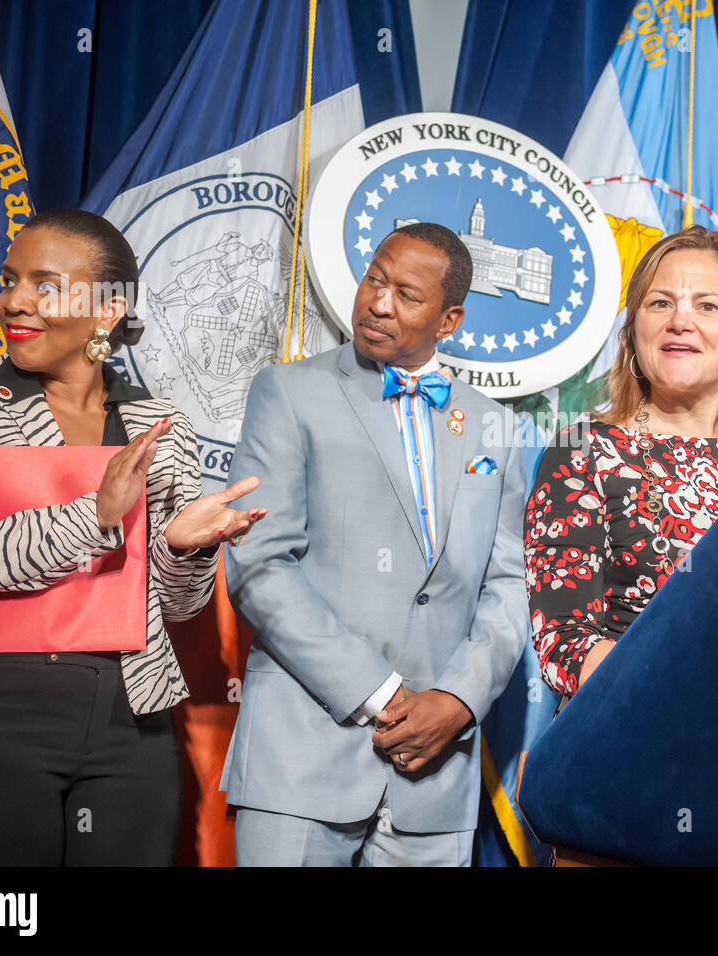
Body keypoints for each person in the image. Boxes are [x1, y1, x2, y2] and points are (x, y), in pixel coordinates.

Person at [0, 209, 265, 866]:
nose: (13, 301)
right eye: (11, 279)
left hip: (127, 716)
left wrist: (185, 549)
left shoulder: (159, 423)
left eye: (44, 283)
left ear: (108, 309)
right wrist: (94, 516)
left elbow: (177, 607)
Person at [221, 222, 527, 867]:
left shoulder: (497, 426)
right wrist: (382, 694)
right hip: (302, 755)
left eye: (406, 295)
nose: (379, 303)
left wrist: (458, 701)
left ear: (449, 320)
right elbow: (259, 562)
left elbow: (506, 585)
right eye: (374, 280)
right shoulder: (288, 392)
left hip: (437, 769)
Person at [525, 226, 718, 699]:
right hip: (634, 736)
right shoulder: (583, 452)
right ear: (633, 329)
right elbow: (564, 644)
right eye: (660, 303)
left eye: (707, 306)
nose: (680, 321)